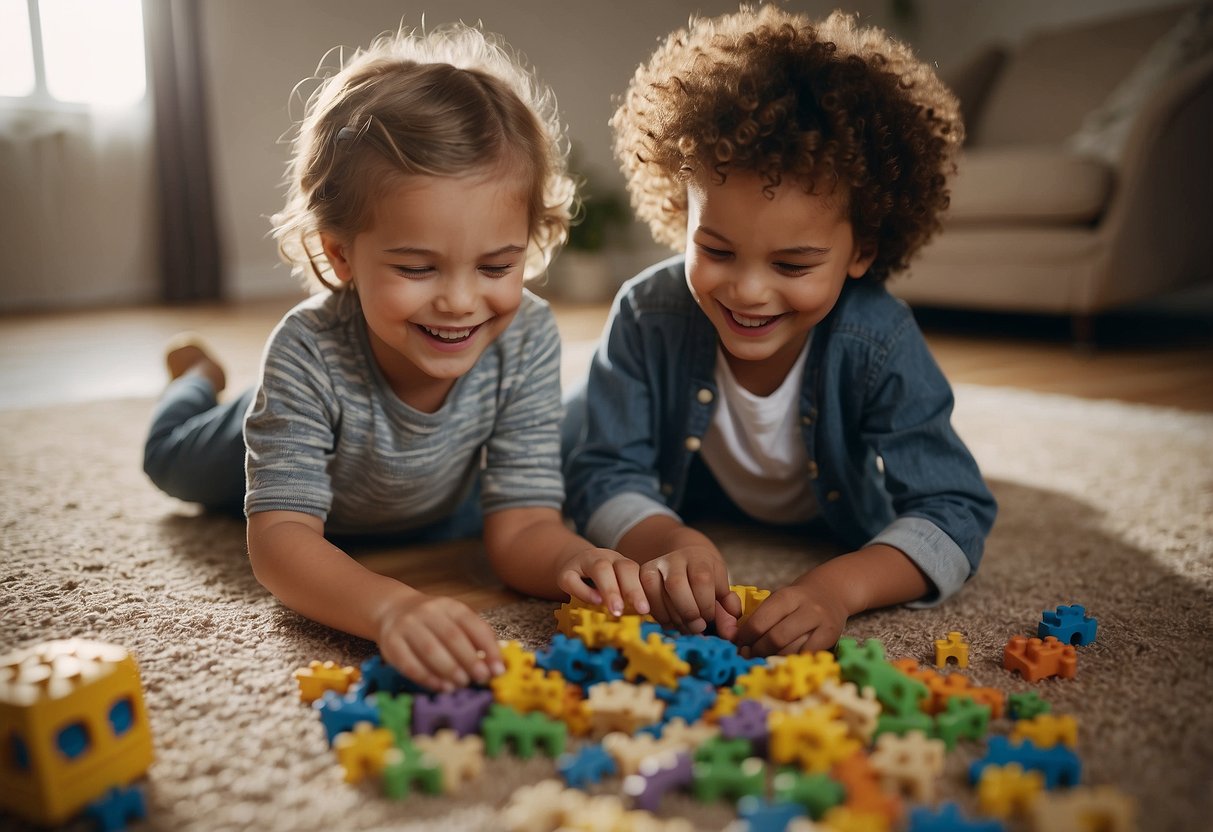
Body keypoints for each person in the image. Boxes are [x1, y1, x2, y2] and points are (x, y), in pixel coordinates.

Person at [143, 23, 648, 692]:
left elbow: (523, 523)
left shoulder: (525, 334)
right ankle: (197, 380)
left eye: (497, 265)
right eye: (417, 267)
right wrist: (390, 607)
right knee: (170, 460)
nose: (461, 301)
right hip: (261, 436)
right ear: (340, 254)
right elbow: (279, 543)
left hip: (433, 495)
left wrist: (574, 560)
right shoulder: (306, 351)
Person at [563, 6, 998, 657]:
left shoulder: (877, 340)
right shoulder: (647, 312)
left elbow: (953, 510)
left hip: (833, 505)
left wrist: (838, 588)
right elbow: (601, 469)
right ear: (679, 215)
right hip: (688, 488)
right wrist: (669, 541)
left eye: (792, 264)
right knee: (563, 433)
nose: (747, 290)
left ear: (860, 251)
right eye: (714, 249)